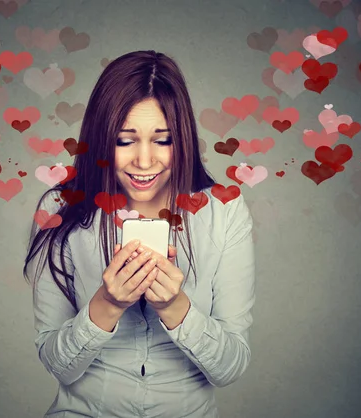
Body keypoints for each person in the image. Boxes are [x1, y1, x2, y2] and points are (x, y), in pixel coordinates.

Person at [23, 50, 256, 418]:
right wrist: (107, 305)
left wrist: (174, 307)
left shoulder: (223, 211)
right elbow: (57, 365)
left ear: (182, 140)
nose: (144, 161)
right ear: (101, 141)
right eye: (124, 140)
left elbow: (230, 368)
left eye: (162, 140)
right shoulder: (59, 208)